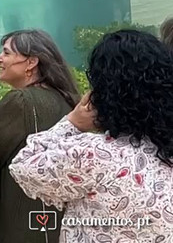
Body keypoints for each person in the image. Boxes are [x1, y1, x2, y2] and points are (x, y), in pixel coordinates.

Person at [10, 30, 173, 242]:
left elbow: (23, 166)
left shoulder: (93, 155)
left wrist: (72, 123)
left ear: (105, 92)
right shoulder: (164, 151)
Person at [0, 30, 80, 243]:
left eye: (7, 53)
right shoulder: (69, 101)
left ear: (31, 63)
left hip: (22, 221)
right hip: (61, 221)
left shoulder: (20, 101)